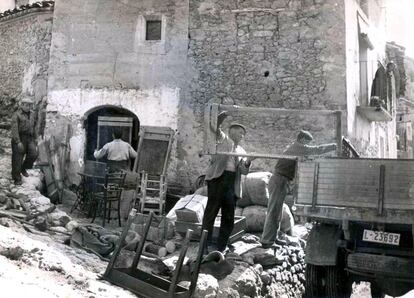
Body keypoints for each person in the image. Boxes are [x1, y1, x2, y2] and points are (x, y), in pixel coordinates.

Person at [261, 130, 337, 248]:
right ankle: (266, 241)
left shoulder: (295, 147)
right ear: (302, 140)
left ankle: (272, 238)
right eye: (307, 142)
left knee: (277, 211)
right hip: (279, 180)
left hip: (281, 180)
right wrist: (334, 146)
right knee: (274, 211)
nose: (308, 145)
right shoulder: (298, 147)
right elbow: (316, 150)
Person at [201, 111, 253, 253]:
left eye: (243, 134)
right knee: (211, 212)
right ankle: (205, 245)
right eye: (240, 133)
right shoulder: (223, 139)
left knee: (229, 216)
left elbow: (244, 171)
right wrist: (222, 116)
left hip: (231, 183)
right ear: (231, 132)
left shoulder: (242, 150)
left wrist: (248, 162)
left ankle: (221, 246)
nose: (242, 136)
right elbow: (214, 128)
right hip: (218, 179)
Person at [11, 97, 38, 185]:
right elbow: (14, 129)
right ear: (22, 105)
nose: (28, 107)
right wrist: (18, 142)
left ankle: (24, 168)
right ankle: (17, 178)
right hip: (19, 137)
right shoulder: (17, 114)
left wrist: (36, 138)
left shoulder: (32, 114)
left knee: (34, 154)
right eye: (26, 105)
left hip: (29, 138)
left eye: (30, 105)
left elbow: (34, 127)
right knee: (18, 158)